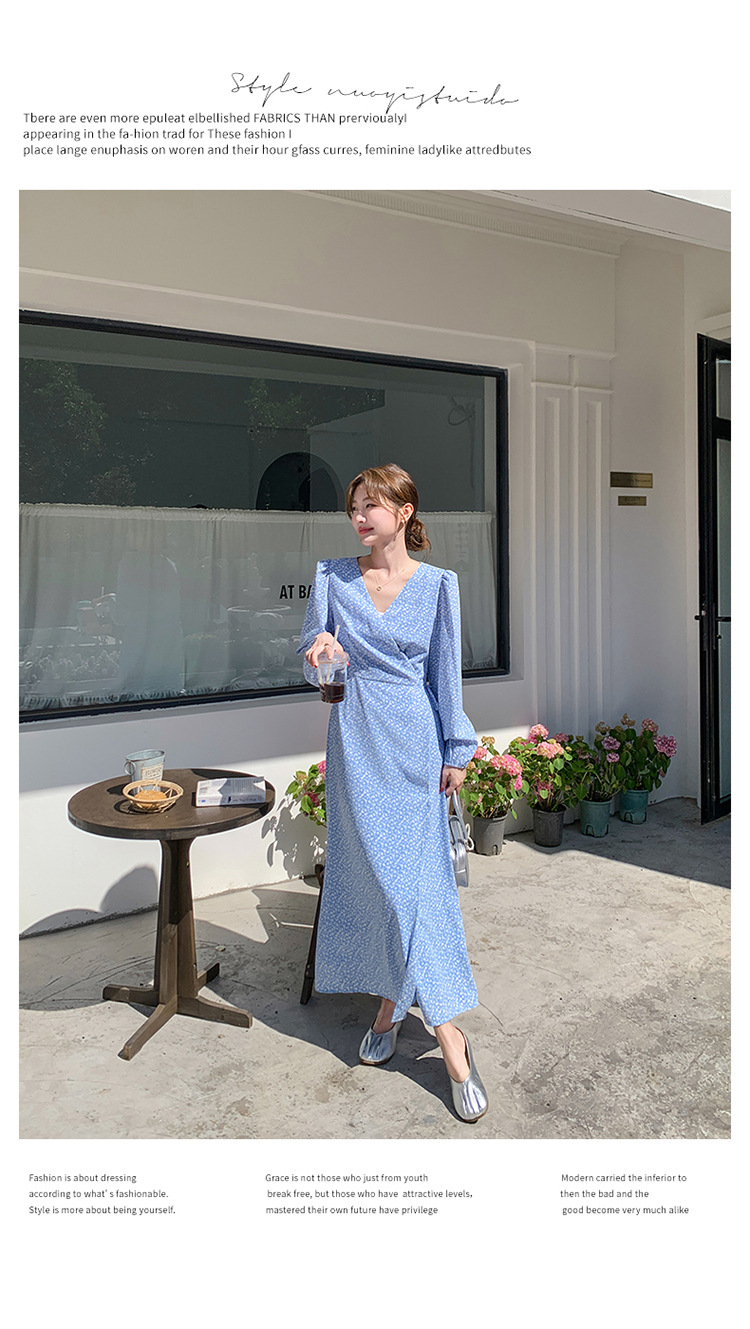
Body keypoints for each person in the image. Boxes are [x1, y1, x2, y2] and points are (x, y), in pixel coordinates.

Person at [299, 463, 488, 1122]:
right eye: (353, 507)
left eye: (370, 505)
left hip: (412, 742)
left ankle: (448, 1037)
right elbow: (312, 660)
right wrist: (320, 651)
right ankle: (388, 1002)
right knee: (379, 881)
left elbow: (446, 675)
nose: (358, 517)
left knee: (417, 887)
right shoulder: (332, 577)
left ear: (404, 512)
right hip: (355, 740)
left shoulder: (438, 585)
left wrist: (457, 748)